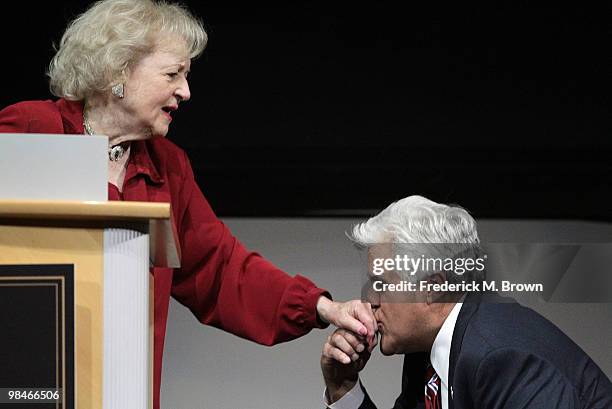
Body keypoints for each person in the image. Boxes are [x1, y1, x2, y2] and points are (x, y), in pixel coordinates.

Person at [0, 1, 376, 408]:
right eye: (172, 73)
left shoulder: (168, 168)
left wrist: (320, 306)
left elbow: (222, 270)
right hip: (26, 380)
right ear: (119, 70)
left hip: (120, 390)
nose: (185, 90)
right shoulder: (33, 129)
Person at [320, 195, 612, 408]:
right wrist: (343, 386)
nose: (370, 301)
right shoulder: (429, 352)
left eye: (381, 284)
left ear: (432, 287)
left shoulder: (499, 357)